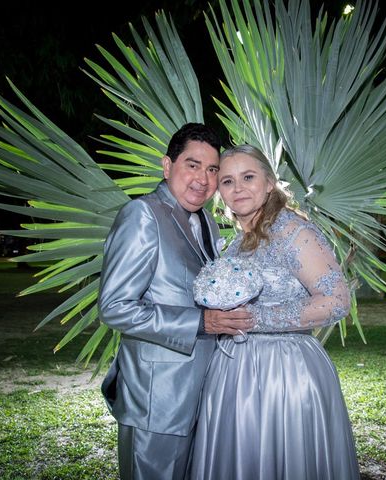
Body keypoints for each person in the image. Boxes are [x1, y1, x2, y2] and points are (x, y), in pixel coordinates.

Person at [191, 144, 361, 479]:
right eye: (227, 181)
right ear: (219, 192)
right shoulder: (238, 241)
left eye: (248, 177)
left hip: (284, 373)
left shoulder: (293, 231)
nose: (237, 188)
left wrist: (253, 320)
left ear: (269, 183)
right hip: (235, 372)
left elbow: (336, 300)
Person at [98, 123, 253, 480]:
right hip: (157, 400)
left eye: (212, 169)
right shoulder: (142, 215)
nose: (203, 178)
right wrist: (201, 323)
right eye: (192, 165)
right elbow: (115, 307)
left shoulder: (208, 225)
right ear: (167, 166)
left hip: (205, 393)